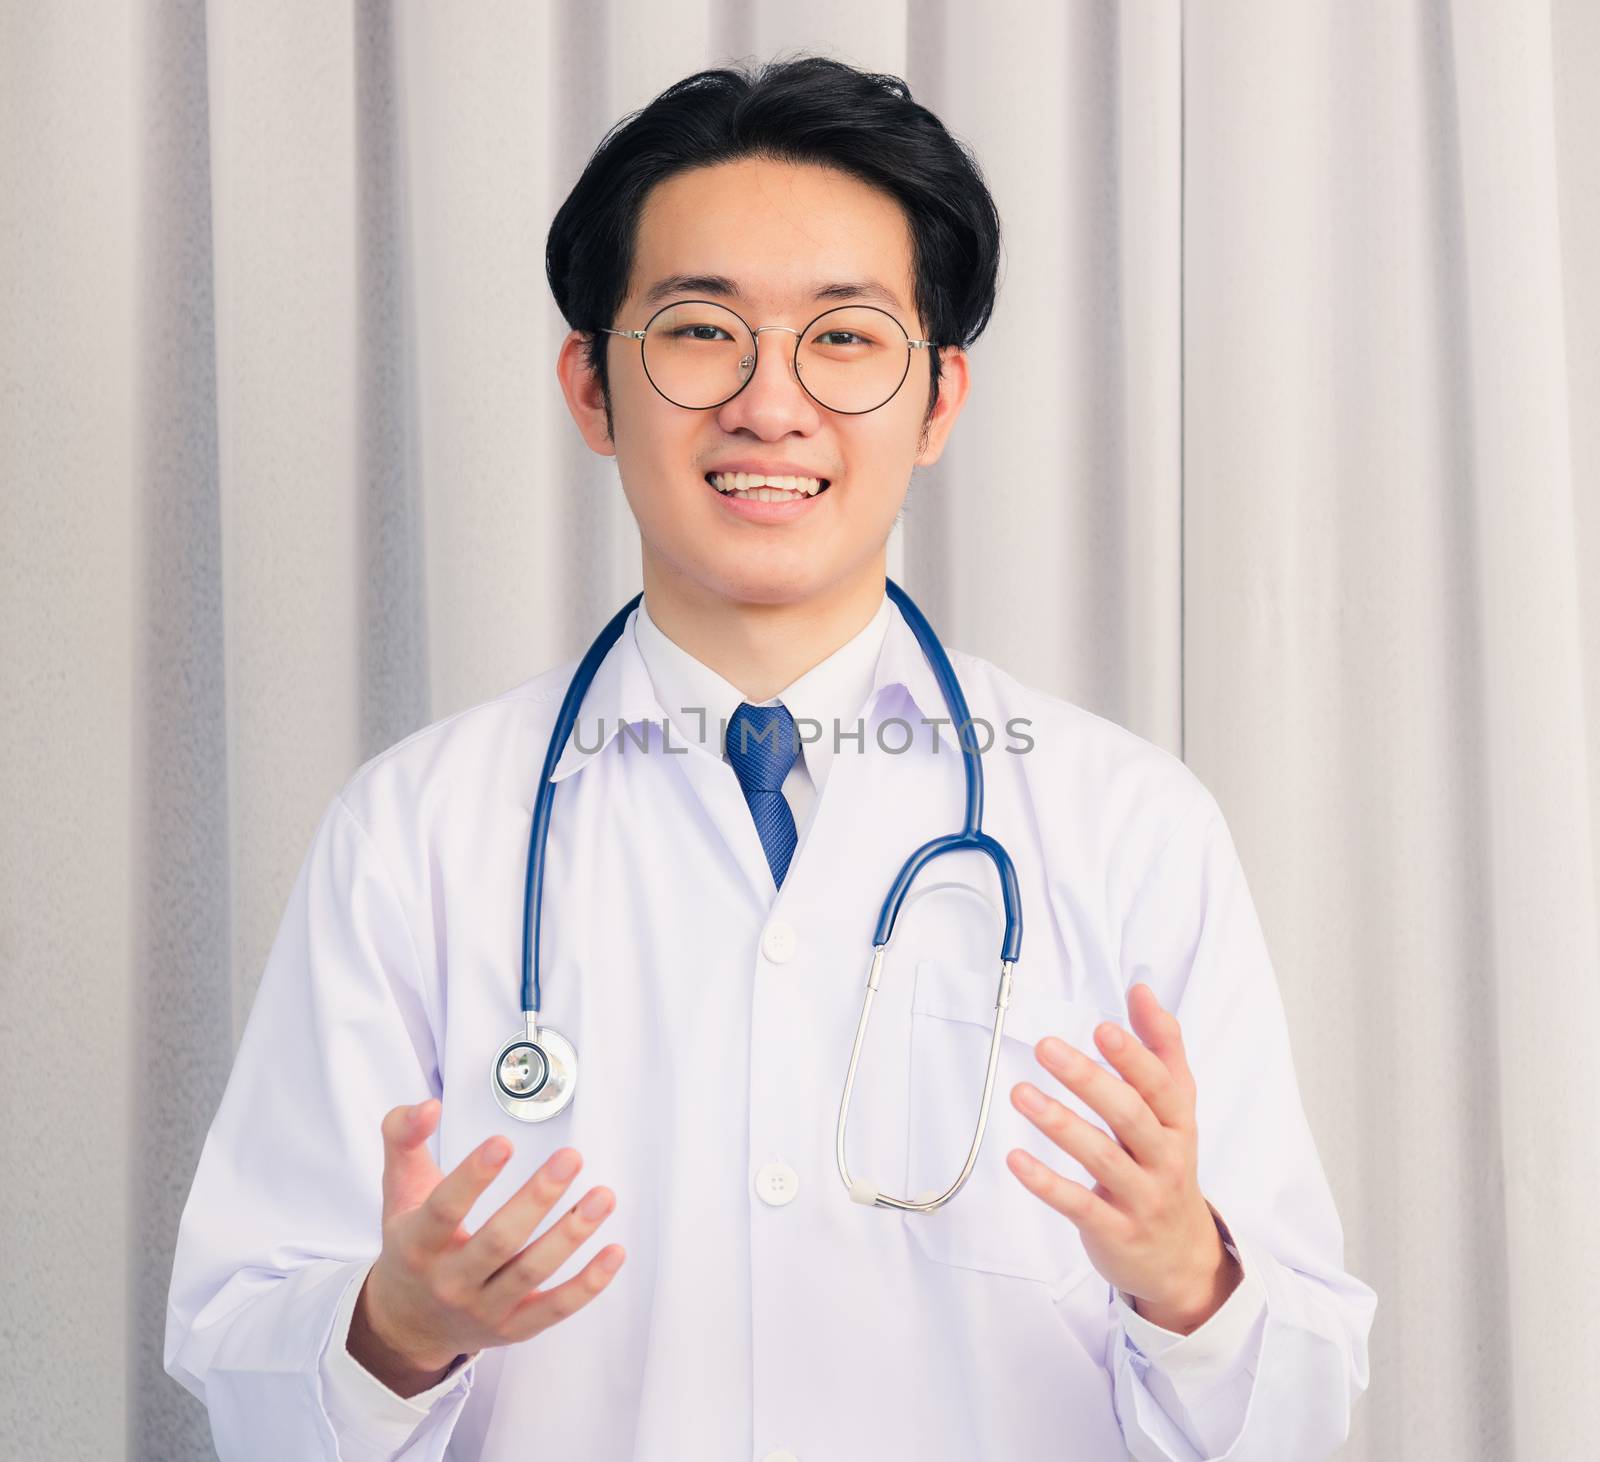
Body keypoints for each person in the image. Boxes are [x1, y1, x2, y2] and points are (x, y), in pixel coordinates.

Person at [164, 53, 1376, 1462]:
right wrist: (394, 1323)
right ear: (591, 386)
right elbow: (247, 1357)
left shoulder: (1128, 827)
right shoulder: (416, 832)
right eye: (698, 332)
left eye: (846, 338)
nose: (769, 405)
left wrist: (1190, 1279)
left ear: (937, 402)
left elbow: (1294, 1412)